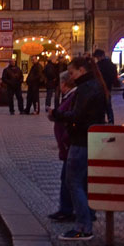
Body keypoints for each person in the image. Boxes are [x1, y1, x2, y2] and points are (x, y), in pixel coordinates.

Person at [48, 56, 107, 240]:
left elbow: (77, 116)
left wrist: (57, 114)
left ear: (82, 70)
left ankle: (83, 227)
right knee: (83, 182)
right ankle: (87, 218)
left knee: (73, 182)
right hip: (90, 139)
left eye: (72, 72)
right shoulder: (96, 85)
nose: (71, 77)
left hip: (81, 141)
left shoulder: (86, 88)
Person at [47, 71, 78, 222]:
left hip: (70, 145)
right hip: (68, 145)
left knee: (70, 179)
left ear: (64, 84)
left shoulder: (73, 97)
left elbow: (69, 117)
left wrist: (65, 141)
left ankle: (70, 211)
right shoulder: (70, 96)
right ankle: (67, 209)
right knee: (67, 178)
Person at [92, 49, 119, 124]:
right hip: (108, 88)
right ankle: (111, 121)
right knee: (108, 106)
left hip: (100, 88)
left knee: (101, 106)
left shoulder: (98, 65)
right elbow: (114, 77)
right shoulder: (111, 65)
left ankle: (102, 121)